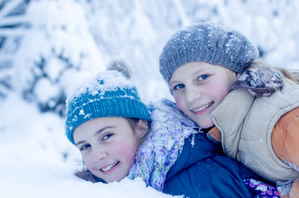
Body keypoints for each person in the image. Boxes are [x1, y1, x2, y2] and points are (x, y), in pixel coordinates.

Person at [65, 57, 277, 197]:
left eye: (106, 136)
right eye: (84, 146)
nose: (97, 155)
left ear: (140, 126)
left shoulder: (203, 180)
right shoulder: (119, 181)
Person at [159, 22, 299, 197]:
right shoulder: (229, 126)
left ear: (236, 73)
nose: (191, 96)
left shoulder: (279, 122)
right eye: (179, 86)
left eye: (203, 77)